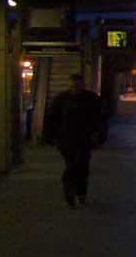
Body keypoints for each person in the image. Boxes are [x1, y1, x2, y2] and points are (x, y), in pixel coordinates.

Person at [42, 74, 107, 208]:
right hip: (69, 139)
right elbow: (52, 119)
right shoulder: (87, 99)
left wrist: (99, 136)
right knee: (74, 165)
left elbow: (100, 119)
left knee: (80, 166)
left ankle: (78, 192)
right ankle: (72, 192)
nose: (74, 89)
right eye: (72, 87)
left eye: (76, 87)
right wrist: (50, 136)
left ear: (82, 85)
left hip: (83, 139)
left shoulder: (67, 99)